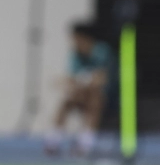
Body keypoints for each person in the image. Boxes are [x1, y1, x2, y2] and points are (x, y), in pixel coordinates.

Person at [44, 23, 111, 157]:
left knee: (94, 98)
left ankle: (85, 144)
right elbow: (72, 78)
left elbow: (101, 79)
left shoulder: (102, 52)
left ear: (85, 38)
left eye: (75, 38)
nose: (73, 42)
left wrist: (81, 81)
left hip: (107, 97)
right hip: (82, 94)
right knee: (67, 101)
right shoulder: (75, 54)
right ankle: (53, 141)